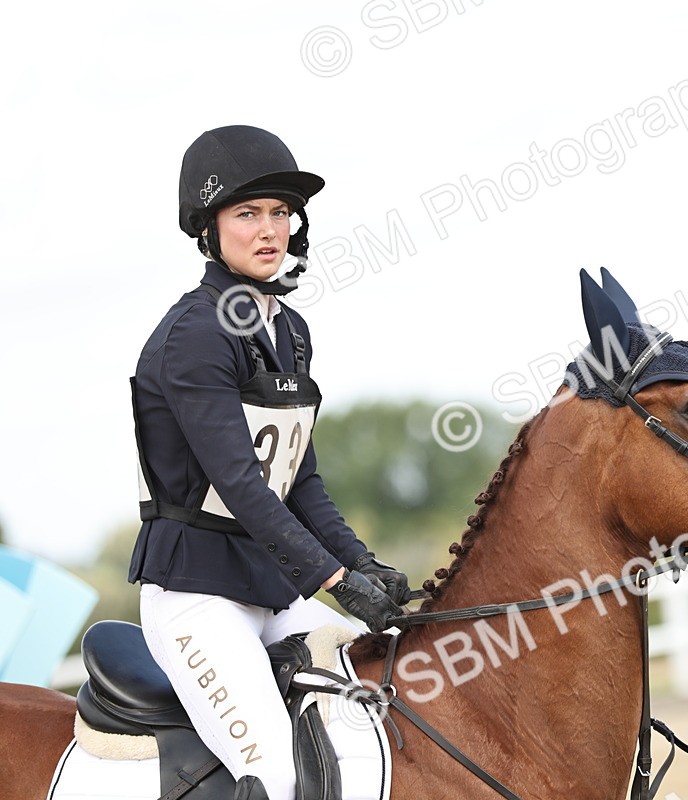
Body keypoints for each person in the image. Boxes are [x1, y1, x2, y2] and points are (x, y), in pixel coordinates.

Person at [128, 124, 410, 800]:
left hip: (269, 590)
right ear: (209, 227)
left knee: (373, 722)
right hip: (196, 595)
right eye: (248, 213)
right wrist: (336, 578)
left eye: (281, 212)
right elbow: (244, 487)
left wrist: (364, 562)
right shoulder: (196, 335)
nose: (270, 229)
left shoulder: (287, 328)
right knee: (278, 776)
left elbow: (299, 482)